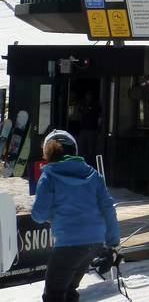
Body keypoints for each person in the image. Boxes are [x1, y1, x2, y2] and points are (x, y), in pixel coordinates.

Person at [31, 129, 119, 302]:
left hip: (68, 244)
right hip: (94, 244)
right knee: (69, 290)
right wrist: (113, 244)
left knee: (53, 295)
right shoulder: (94, 174)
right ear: (75, 150)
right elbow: (108, 209)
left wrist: (53, 214)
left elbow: (39, 215)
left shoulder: (48, 176)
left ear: (47, 153)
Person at [76, 91, 101, 165]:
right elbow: (79, 115)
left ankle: (91, 163)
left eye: (90, 95)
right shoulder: (82, 104)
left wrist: (98, 127)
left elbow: (100, 117)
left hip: (92, 130)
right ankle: (82, 163)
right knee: (82, 148)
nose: (88, 96)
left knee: (91, 149)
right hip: (83, 129)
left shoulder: (96, 105)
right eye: (87, 95)